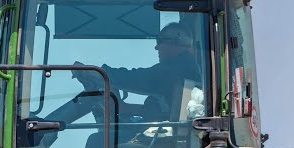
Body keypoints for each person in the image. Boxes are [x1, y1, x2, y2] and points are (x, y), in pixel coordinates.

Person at [69, 21, 202, 123]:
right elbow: (162, 113)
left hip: (169, 141)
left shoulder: (176, 68)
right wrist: (123, 107)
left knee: (97, 142)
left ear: (178, 41)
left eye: (160, 41)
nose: (156, 47)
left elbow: (139, 78)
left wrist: (97, 73)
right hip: (160, 132)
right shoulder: (180, 68)